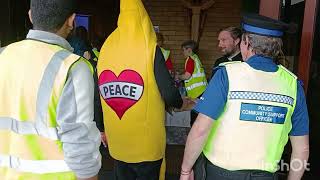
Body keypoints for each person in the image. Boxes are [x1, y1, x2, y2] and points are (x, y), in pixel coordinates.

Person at [180, 13, 309, 180]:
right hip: (266, 176)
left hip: (219, 174)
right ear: (277, 48)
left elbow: (200, 129)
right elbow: (302, 149)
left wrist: (185, 169)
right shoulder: (293, 85)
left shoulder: (227, 74)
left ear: (246, 43)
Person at [0, 0, 101, 179]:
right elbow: (80, 145)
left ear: (30, 15)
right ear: (71, 20)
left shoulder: (3, 55)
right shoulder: (73, 68)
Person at [97, 0, 191, 179]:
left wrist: (102, 127)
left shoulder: (106, 49)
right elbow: (169, 92)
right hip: (146, 143)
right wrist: (180, 103)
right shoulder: (149, 49)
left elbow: (98, 93)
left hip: (117, 139)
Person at [176, 40, 208, 126]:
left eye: (183, 50)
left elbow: (187, 76)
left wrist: (178, 77)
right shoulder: (195, 58)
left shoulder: (190, 60)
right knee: (199, 115)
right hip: (202, 90)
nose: (182, 52)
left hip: (198, 92)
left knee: (195, 118)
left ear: (189, 50)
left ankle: (194, 136)